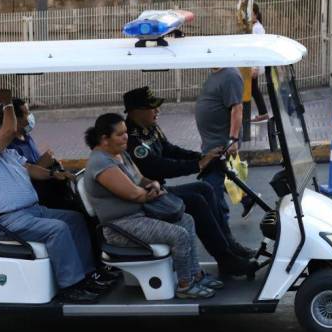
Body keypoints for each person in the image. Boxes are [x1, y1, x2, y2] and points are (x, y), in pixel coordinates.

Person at [0, 88, 112, 304]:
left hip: (31, 211)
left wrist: (54, 174)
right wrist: (7, 104)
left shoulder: (2, 152)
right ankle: (70, 286)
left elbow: (29, 168)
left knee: (75, 220)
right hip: (7, 220)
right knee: (57, 230)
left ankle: (87, 275)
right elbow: (9, 131)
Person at [83, 113, 221, 299]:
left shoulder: (120, 154)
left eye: (126, 132)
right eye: (120, 134)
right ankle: (185, 285)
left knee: (186, 220)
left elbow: (140, 179)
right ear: (104, 139)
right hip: (121, 226)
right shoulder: (100, 163)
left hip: (140, 216)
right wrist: (153, 189)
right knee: (179, 235)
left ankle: (195, 274)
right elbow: (135, 194)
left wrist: (153, 184)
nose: (126, 137)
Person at [122, 86, 258, 273]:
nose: (157, 111)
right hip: (148, 197)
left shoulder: (150, 128)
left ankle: (228, 244)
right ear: (136, 111)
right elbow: (158, 166)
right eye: (151, 108)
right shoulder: (131, 139)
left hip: (159, 192)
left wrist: (203, 157)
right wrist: (198, 165)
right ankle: (225, 258)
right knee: (196, 201)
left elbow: (171, 150)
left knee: (205, 189)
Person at [195, 66, 262, 222]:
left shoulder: (230, 75)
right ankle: (247, 199)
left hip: (220, 143)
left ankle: (220, 222)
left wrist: (232, 139)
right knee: (224, 174)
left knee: (211, 184)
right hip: (212, 141)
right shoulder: (216, 74)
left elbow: (237, 108)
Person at [6, 97, 77, 211]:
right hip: (36, 194)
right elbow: (23, 176)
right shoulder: (10, 147)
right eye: (26, 113)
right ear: (16, 119)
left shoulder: (26, 137)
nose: (30, 115)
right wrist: (43, 164)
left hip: (47, 182)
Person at [249, 3, 270, 124]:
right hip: (252, 64)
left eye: (250, 13)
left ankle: (263, 113)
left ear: (255, 14)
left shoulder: (257, 28)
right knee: (253, 89)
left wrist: (255, 67)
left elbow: (258, 48)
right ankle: (263, 113)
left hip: (253, 65)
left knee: (253, 89)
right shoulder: (254, 27)